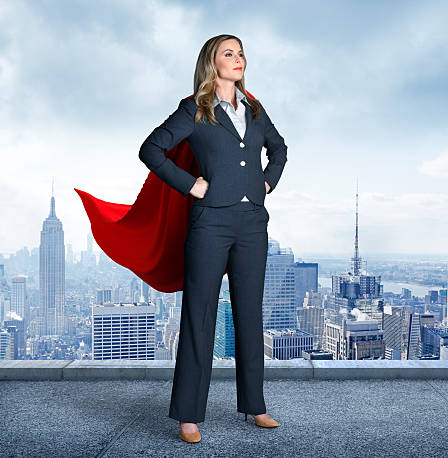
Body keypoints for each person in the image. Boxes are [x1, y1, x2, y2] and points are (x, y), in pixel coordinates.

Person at [138, 34, 288, 443]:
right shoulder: (195, 109)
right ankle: (188, 415)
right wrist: (190, 185)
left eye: (240, 53)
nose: (238, 59)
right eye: (229, 53)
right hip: (209, 225)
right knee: (199, 317)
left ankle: (254, 406)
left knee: (249, 315)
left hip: (253, 223)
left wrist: (267, 184)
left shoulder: (255, 109)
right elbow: (151, 149)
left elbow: (279, 149)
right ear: (212, 62)